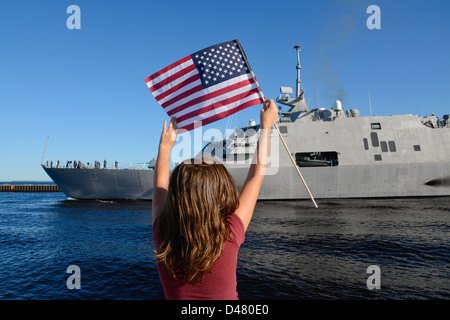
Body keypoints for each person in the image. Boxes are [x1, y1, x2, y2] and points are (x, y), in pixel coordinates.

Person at [151, 99, 279, 300]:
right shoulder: (231, 232)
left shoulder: (163, 232)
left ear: (177, 194)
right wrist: (266, 127)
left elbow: (160, 188)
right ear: (219, 192)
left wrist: (165, 147)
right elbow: (257, 174)